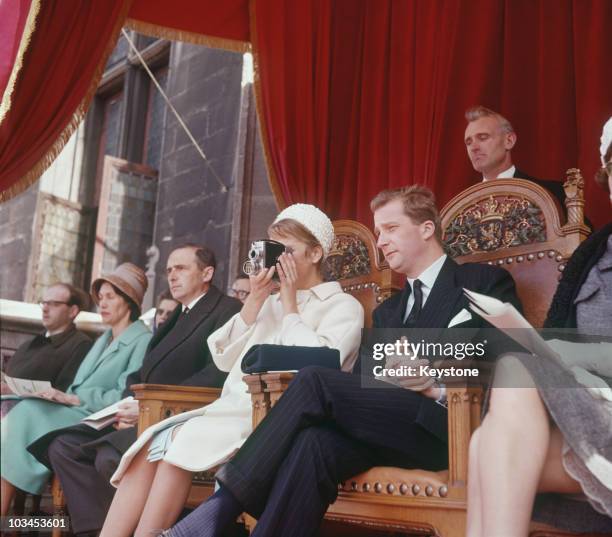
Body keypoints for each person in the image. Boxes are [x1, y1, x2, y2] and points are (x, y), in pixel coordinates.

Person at [160, 185, 521, 537]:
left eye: (391, 228)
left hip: (452, 424)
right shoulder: (389, 311)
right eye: (378, 232)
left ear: (427, 229)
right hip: (390, 424)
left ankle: (219, 509)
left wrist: (436, 386)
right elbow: (365, 379)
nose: (381, 241)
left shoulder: (483, 282)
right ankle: (217, 517)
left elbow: (510, 359)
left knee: (315, 379)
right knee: (312, 443)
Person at [99, 204, 364, 537]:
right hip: (226, 409)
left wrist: (291, 305)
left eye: (289, 251)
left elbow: (322, 366)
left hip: (274, 417)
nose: (278, 260)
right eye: (274, 250)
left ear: (315, 253)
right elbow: (222, 356)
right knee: (148, 448)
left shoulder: (342, 306)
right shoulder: (267, 301)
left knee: (179, 446)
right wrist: (254, 299)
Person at [29, 244, 242, 537]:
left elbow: (217, 373)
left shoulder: (227, 309)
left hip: (176, 415)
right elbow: (144, 370)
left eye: (181, 268)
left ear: (207, 272)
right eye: (168, 270)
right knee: (62, 446)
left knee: (106, 457)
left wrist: (146, 403)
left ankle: (110, 528)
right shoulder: (180, 313)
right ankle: (98, 527)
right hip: (139, 409)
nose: (172, 275)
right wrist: (129, 400)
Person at [466, 118, 612, 536]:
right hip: (587, 405)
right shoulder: (592, 254)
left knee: (500, 411)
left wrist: (576, 354)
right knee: (486, 442)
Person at [0, 263, 151, 516]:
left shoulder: (142, 339)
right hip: (74, 409)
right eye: (100, 298)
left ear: (129, 302)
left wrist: (72, 397)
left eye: (110, 297)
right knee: (18, 413)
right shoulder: (103, 339)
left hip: (98, 417)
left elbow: (124, 395)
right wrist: (59, 395)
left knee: (23, 414)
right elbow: (77, 386)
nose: (102, 304)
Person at [1, 283, 92, 416]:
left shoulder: (81, 345)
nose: (45, 309)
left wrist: (13, 391)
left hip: (35, 414)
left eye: (54, 304)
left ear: (73, 311)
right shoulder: (29, 344)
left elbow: (65, 394)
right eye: (44, 303)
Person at [464, 106, 567, 209]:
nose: (473, 148)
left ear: (509, 141)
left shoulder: (553, 194)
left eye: (483, 138)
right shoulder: (463, 208)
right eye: (468, 142)